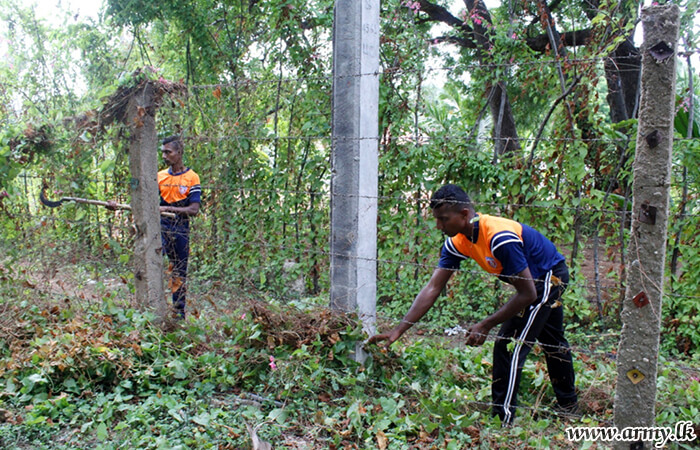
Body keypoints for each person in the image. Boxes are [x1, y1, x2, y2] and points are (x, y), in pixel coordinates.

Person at [368, 184, 577, 426]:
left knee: (508, 346)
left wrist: (485, 325)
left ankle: (503, 421)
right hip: (532, 283)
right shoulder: (458, 241)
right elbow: (433, 288)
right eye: (437, 219)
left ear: (465, 214)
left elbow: (528, 293)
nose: (439, 226)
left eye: (444, 219)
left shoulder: (500, 237)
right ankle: (568, 406)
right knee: (552, 341)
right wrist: (398, 330)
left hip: (548, 278)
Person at [157, 135, 201, 319]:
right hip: (161, 226)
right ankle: (154, 307)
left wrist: (168, 208)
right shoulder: (159, 176)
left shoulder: (192, 177)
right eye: (163, 152)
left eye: (169, 152)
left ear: (179, 153)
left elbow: (194, 208)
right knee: (155, 260)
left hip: (181, 228)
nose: (165, 156)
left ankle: (178, 313)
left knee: (179, 270)